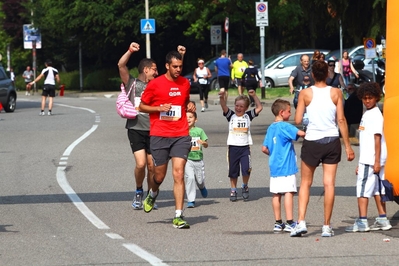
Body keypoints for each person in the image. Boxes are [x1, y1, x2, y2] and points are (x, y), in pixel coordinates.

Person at [290, 60, 355, 237]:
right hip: (332, 140)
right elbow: (341, 120)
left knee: (305, 183)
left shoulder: (305, 93)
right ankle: (326, 226)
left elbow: (297, 120)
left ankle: (301, 221)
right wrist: (348, 146)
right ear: (327, 74)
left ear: (311, 74)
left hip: (312, 140)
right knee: (329, 184)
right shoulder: (335, 92)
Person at [139, 46, 196, 229]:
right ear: (167, 66)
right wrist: (158, 108)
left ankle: (178, 215)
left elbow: (185, 101)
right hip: (160, 135)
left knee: (178, 173)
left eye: (180, 66)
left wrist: (190, 106)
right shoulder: (155, 84)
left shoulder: (185, 83)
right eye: (175, 67)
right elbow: (141, 106)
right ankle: (153, 192)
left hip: (180, 134)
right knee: (159, 176)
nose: (179, 70)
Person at [345, 82, 391, 232]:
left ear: (377, 98)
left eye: (370, 98)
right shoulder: (368, 113)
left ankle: (362, 221)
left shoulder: (375, 115)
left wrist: (376, 161)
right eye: (364, 98)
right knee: (378, 189)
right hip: (371, 159)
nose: (367, 101)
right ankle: (383, 218)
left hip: (371, 159)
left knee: (362, 189)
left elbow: (377, 139)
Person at [118, 41, 159, 210]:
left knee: (152, 166)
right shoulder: (132, 83)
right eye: (154, 69)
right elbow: (121, 64)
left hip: (154, 129)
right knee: (141, 164)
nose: (157, 73)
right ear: (146, 69)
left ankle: (150, 197)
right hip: (135, 128)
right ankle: (138, 191)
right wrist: (130, 51)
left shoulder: (157, 86)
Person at [262, 99, 305, 232]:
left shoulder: (271, 128)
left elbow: (264, 148)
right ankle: (290, 222)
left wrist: (273, 153)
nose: (290, 114)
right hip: (287, 166)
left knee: (276, 194)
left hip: (274, 167)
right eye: (289, 111)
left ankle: (278, 222)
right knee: (289, 193)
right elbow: (301, 134)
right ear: (282, 112)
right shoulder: (285, 126)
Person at [219, 89, 263, 201]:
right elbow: (223, 106)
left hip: (245, 148)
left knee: (246, 169)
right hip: (233, 147)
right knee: (233, 171)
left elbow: (259, 108)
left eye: (241, 106)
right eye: (237, 106)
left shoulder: (248, 116)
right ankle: (233, 189)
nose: (238, 108)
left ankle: (245, 185)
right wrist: (222, 97)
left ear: (246, 108)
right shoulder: (231, 116)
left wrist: (254, 96)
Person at [185, 111, 209, 208]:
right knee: (190, 178)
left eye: (191, 117)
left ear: (196, 119)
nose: (188, 119)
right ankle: (191, 200)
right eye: (186, 117)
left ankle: (202, 186)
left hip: (198, 159)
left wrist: (203, 143)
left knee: (199, 180)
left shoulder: (200, 131)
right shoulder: (183, 130)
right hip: (187, 159)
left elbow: (206, 144)